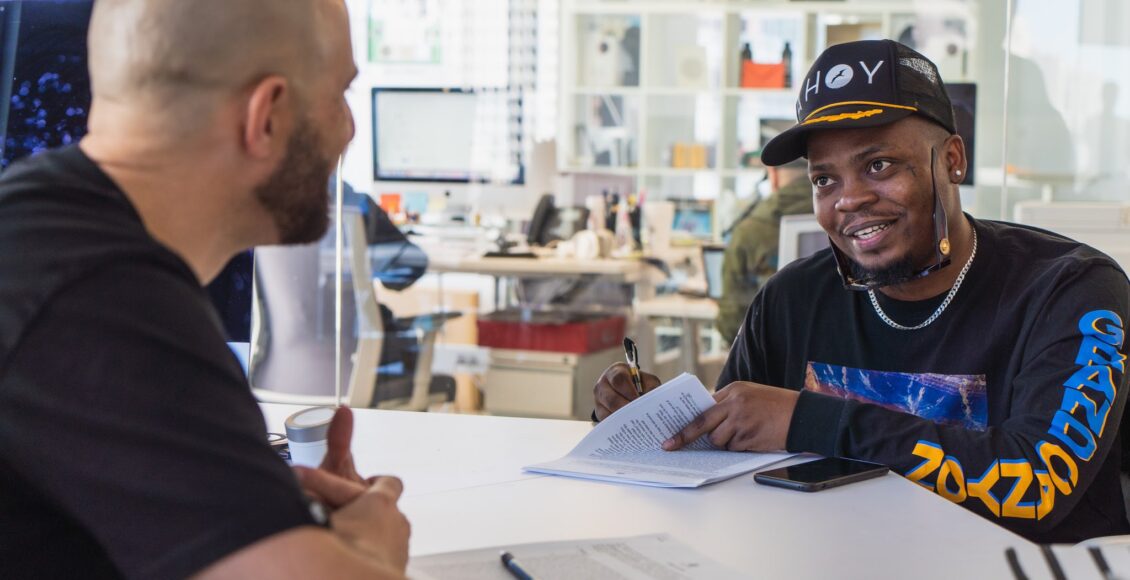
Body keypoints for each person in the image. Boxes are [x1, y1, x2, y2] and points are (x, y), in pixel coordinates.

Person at [593, 39, 1130, 544]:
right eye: (824, 180)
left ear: (952, 160)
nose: (848, 200)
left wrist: (806, 419)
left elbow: (1037, 485)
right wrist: (651, 419)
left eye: (878, 165)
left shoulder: (1072, 290)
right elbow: (726, 467)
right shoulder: (791, 300)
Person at [0, 0, 411, 578]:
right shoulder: (109, 302)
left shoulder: (43, 230)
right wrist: (373, 542)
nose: (349, 129)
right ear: (267, 116)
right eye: (340, 94)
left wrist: (265, 513)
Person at [715, 158, 812, 344]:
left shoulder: (749, 230)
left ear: (773, 175)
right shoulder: (842, 215)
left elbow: (731, 323)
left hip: (768, 353)